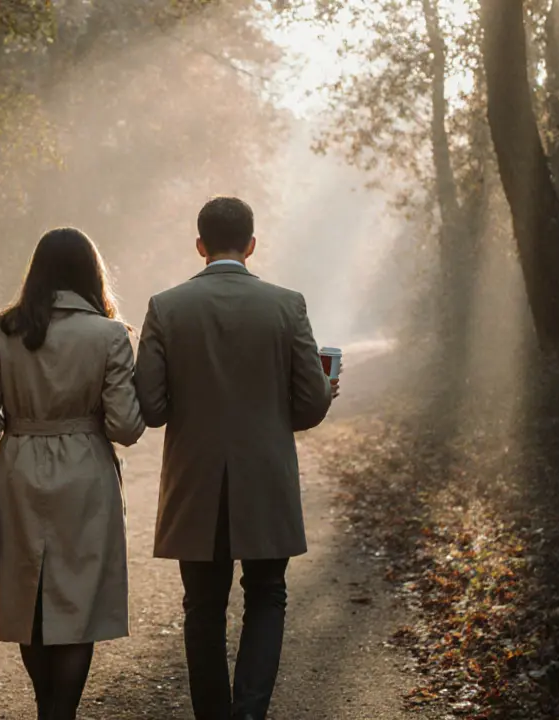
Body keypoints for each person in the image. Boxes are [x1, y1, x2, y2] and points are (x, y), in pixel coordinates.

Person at [133, 196, 337, 720]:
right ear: (251, 245)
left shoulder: (166, 307)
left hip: (194, 482)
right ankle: (249, 713)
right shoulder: (286, 305)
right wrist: (318, 390)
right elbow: (310, 405)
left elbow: (151, 408)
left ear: (199, 246)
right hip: (265, 477)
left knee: (202, 607)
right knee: (267, 595)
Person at [0, 227, 145, 720]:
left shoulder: (3, 331)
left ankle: (47, 710)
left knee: (29, 594)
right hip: (86, 476)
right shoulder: (109, 335)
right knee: (77, 604)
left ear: (35, 272)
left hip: (19, 469)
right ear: (91, 274)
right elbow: (125, 427)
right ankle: (61, 714)